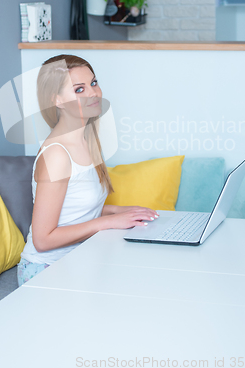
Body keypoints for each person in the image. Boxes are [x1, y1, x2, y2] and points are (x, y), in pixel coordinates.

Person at [17, 54, 159, 286]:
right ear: (58, 100)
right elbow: (43, 240)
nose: (93, 93)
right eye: (79, 89)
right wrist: (109, 222)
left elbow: (75, 210)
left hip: (79, 262)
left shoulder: (86, 140)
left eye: (93, 83)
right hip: (44, 271)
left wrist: (121, 212)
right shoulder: (57, 154)